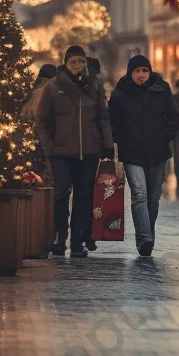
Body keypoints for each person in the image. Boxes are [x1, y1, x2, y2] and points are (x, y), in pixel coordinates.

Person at [34, 45, 113, 259]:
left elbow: (103, 117)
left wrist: (107, 145)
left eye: (81, 62)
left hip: (89, 150)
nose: (78, 66)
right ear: (66, 64)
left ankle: (78, 242)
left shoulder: (94, 86)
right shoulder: (54, 86)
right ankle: (60, 239)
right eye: (73, 62)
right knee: (60, 196)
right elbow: (42, 120)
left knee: (83, 196)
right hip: (61, 151)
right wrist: (49, 147)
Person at [109, 55, 179, 258]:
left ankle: (149, 236)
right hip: (131, 153)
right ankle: (144, 237)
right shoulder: (120, 94)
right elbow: (113, 123)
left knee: (153, 199)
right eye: (138, 71)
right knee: (139, 194)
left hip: (157, 153)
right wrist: (120, 143)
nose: (141, 75)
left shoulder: (161, 90)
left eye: (145, 71)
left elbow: (174, 117)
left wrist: (165, 136)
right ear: (130, 73)